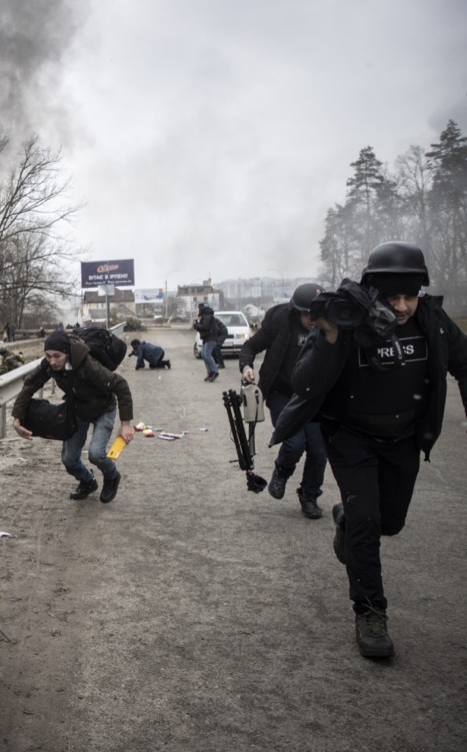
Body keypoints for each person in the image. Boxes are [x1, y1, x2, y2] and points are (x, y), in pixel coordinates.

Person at [272, 243, 467, 659]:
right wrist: (327, 337)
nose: (401, 307)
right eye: (392, 298)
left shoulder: (431, 319)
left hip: (403, 438)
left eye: (409, 297)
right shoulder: (347, 319)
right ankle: (370, 612)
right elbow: (304, 383)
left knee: (389, 522)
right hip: (352, 437)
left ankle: (345, 520)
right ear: (372, 292)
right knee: (367, 520)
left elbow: (464, 364)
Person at [11, 329, 136, 503]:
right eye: (48, 356)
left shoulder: (87, 365)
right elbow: (30, 384)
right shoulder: (49, 365)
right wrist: (17, 417)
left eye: (57, 356)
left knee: (96, 453)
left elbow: (120, 385)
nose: (52, 361)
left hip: (103, 408)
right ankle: (87, 481)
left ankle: (112, 476)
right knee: (69, 460)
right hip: (78, 410)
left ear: (67, 354)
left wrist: (125, 424)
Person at [239, 283, 328, 519]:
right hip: (282, 393)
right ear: (296, 311)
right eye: (307, 314)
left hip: (314, 397)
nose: (311, 320)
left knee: (319, 450)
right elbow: (250, 346)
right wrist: (247, 366)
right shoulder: (280, 320)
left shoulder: (329, 328)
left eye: (316, 314)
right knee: (294, 443)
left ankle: (309, 495)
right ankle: (282, 471)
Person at [193, 304, 224, 381]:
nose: (197, 311)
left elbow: (205, 327)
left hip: (211, 338)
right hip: (206, 338)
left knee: (207, 355)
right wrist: (197, 324)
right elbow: (203, 326)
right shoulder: (205, 316)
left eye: (198, 310)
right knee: (204, 355)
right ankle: (210, 372)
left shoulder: (207, 316)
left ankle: (215, 371)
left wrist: (196, 325)